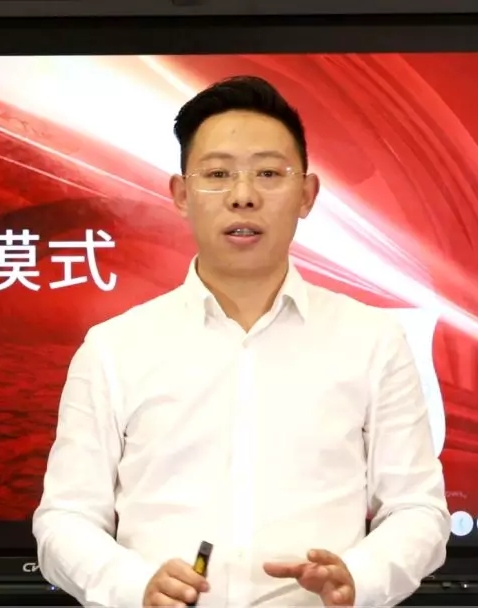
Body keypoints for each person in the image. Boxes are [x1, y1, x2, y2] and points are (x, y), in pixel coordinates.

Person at [31, 75, 450, 608]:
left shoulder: (373, 341)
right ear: (181, 195)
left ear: (307, 195)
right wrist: (136, 587)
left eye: (269, 173)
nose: (244, 196)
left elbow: (418, 510)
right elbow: (65, 518)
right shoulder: (113, 348)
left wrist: (359, 578)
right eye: (217, 174)